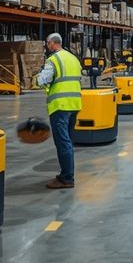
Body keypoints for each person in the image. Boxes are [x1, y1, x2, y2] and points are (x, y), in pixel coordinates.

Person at [35, 33, 83, 189]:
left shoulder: (53, 60)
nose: (47, 47)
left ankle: (67, 178)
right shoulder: (73, 58)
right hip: (74, 104)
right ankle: (66, 174)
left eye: (47, 44)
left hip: (60, 106)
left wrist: (37, 76)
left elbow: (43, 80)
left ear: (51, 43)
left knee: (63, 142)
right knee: (68, 140)